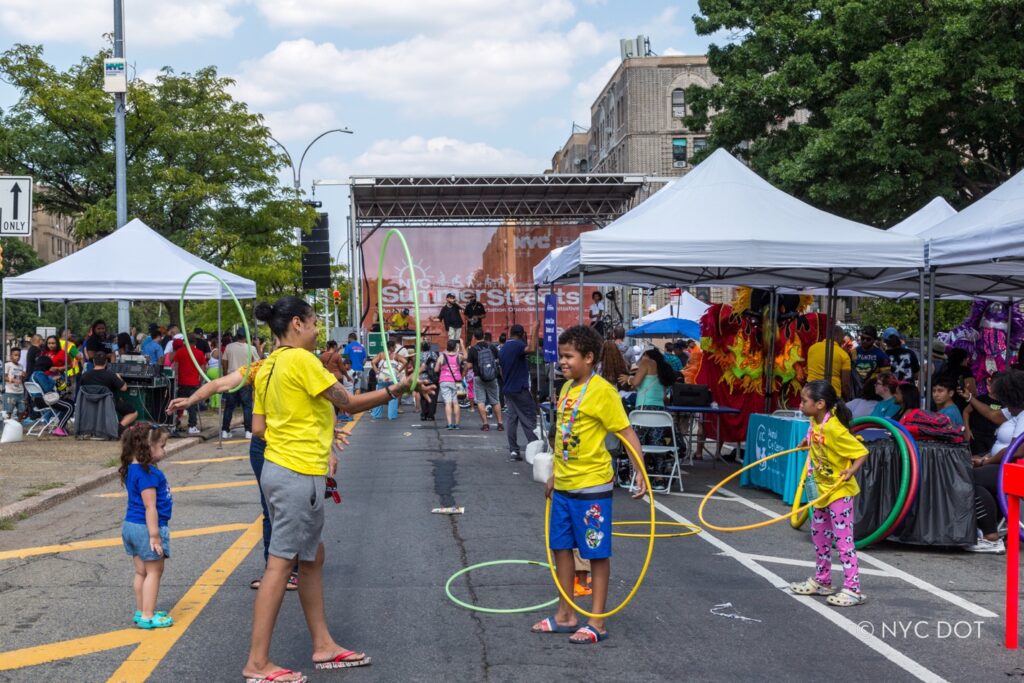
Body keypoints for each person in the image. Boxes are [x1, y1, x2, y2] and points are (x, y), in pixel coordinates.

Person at [243, 295, 432, 683]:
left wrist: (306, 426)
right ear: (297, 323)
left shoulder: (268, 365)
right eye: (314, 323)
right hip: (296, 474)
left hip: (281, 470)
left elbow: (259, 428)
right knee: (281, 564)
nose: (317, 331)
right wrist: (400, 387)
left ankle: (324, 644)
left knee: (312, 558)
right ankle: (258, 663)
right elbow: (348, 402)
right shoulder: (300, 360)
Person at [530, 325, 645, 643]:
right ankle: (565, 614)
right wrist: (555, 473)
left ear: (589, 358)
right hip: (564, 485)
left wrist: (640, 471)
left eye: (569, 357)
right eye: (561, 356)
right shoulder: (567, 388)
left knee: (595, 551)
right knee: (561, 548)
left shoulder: (602, 391)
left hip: (592, 486)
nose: (562, 362)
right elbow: (564, 435)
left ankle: (597, 621)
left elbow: (626, 432)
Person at [789, 380, 868, 606]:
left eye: (804, 401)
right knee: (819, 536)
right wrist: (807, 441)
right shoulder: (815, 422)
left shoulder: (834, 428)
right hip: (820, 488)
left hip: (838, 491)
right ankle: (823, 581)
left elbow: (861, 451)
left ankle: (853, 588)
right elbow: (818, 443)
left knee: (844, 542)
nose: (801, 404)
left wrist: (851, 470)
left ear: (820, 403)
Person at [962, 370, 1024, 553]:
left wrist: (985, 462)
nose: (1003, 403)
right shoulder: (1016, 410)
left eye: (1005, 399)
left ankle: (991, 537)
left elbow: (1016, 450)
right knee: (976, 482)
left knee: (967, 478)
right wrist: (971, 398)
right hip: (1007, 466)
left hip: (1017, 469)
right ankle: (989, 530)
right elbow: (992, 415)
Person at [119, 423, 173, 629]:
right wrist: (155, 536)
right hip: (146, 528)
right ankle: (149, 616)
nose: (164, 450)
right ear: (147, 446)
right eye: (162, 445)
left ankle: (142, 610)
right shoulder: (147, 473)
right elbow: (150, 507)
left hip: (131, 526)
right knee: (154, 572)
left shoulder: (132, 469)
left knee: (141, 572)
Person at [499, 322, 540, 461]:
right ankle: (535, 449)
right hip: (519, 389)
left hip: (508, 388)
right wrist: (534, 330)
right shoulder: (517, 345)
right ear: (522, 335)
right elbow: (532, 349)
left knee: (512, 419)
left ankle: (514, 450)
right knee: (528, 418)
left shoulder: (503, 348)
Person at [79, 350, 139, 431]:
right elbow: (124, 388)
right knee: (134, 412)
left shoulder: (85, 376)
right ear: (106, 362)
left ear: (93, 361)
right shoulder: (111, 375)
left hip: (90, 404)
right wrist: (119, 377)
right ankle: (119, 427)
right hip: (109, 404)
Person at [221, 331, 256, 439]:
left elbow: (224, 362)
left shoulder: (229, 347)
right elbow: (257, 362)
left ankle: (225, 430)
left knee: (229, 406)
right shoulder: (251, 348)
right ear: (246, 337)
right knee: (247, 406)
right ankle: (248, 430)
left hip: (232, 379)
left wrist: (226, 375)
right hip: (245, 379)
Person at [467, 329, 503, 431]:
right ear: (484, 336)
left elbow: (469, 365)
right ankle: (500, 424)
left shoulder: (473, 349)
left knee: (480, 401)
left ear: (474, 337)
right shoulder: (491, 347)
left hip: (479, 377)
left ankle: (485, 424)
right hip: (492, 377)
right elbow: (498, 359)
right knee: (495, 400)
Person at [29, 356, 73, 436]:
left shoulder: (33, 375)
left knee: (66, 402)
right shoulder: (40, 374)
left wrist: (51, 378)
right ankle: (59, 428)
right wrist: (54, 380)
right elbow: (48, 388)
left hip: (38, 401)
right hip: (46, 400)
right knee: (70, 406)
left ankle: (61, 426)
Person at [806, 326, 853, 399]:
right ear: (837, 337)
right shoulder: (843, 355)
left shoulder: (812, 348)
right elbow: (845, 384)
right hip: (832, 395)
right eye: (842, 338)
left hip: (810, 392)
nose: (843, 341)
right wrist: (848, 398)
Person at [172, 337, 206, 435]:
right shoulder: (199, 353)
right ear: (195, 342)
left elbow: (176, 367)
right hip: (194, 383)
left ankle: (176, 423)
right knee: (192, 405)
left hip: (182, 382)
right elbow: (203, 369)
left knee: (179, 404)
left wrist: (177, 379)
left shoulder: (179, 352)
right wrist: (201, 381)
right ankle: (192, 426)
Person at [370, 342, 406, 420]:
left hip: (382, 377)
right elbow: (405, 362)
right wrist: (399, 370)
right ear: (392, 347)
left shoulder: (381, 354)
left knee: (379, 396)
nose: (395, 349)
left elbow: (373, 362)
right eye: (395, 347)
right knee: (393, 396)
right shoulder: (396, 355)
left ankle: (376, 414)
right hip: (392, 378)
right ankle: (391, 415)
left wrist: (376, 371)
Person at [435, 339, 465, 430]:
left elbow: (436, 370)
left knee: (448, 403)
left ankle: (450, 424)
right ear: (455, 347)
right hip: (457, 381)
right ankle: (457, 424)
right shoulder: (459, 356)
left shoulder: (441, 357)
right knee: (456, 403)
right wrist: (462, 344)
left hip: (444, 380)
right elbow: (466, 356)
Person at [851, 325, 890, 392]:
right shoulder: (854, 352)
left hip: (873, 390)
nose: (864, 341)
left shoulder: (881, 355)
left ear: (874, 340)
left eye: (868, 339)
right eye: (862, 338)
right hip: (856, 389)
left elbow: (886, 375)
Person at [418, 341, 440, 421]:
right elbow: (438, 364)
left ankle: (423, 414)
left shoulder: (419, 355)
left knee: (423, 397)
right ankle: (430, 415)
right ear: (429, 347)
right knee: (433, 397)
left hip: (421, 379)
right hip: (432, 378)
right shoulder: (433, 354)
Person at [4, 347, 26, 419]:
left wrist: (23, 376)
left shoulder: (21, 366)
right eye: (15, 355)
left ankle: (18, 425)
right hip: (10, 392)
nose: (17, 357)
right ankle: (7, 427)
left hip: (20, 392)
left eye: (19, 355)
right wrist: (13, 380)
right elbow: (4, 377)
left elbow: (21, 380)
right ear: (11, 356)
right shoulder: (8, 365)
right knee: (9, 411)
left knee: (22, 410)